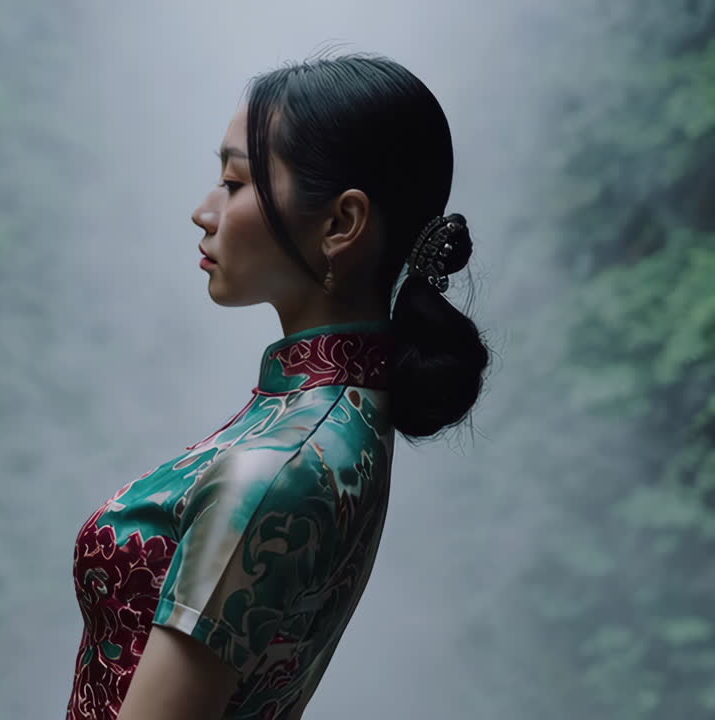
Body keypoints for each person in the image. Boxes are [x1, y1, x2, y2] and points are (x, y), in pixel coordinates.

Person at [66, 52, 490, 720]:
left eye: (235, 183)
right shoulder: (346, 423)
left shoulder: (275, 470)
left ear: (341, 224)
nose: (204, 212)